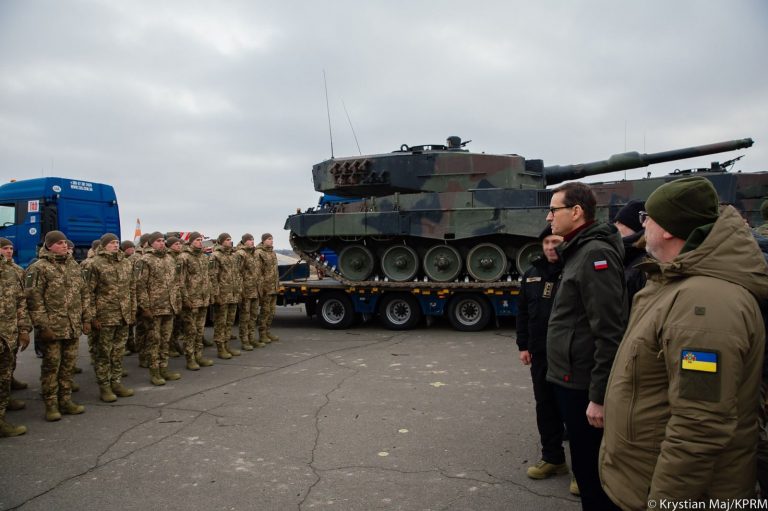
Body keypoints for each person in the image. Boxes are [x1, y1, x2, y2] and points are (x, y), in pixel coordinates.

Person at [600, 177, 768, 509]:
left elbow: (700, 426)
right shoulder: (677, 283)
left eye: (649, 217)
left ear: (668, 229)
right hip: (648, 475)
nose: (642, 224)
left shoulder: (703, 305)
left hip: (677, 493)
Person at [545, 182, 626, 510]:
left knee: (592, 473)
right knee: (583, 461)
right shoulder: (580, 249)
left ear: (576, 212)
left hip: (582, 384)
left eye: (554, 209)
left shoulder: (595, 253)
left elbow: (608, 330)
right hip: (571, 376)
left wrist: (598, 396)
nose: (549, 217)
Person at [516, 226, 577, 494]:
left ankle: (583, 471)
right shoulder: (531, 274)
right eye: (547, 242)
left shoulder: (575, 270)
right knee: (545, 407)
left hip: (569, 354)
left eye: (556, 241)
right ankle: (553, 459)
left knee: (573, 413)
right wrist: (523, 345)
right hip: (540, 353)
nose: (551, 246)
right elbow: (522, 312)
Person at [25, 231, 92, 421]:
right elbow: (33, 300)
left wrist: (86, 319)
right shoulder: (39, 268)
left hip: (72, 325)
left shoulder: (74, 266)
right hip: (52, 328)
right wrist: (42, 326)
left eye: (65, 243)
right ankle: (51, 405)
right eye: (59, 243)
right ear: (49, 245)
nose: (64, 246)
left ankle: (66, 400)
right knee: (51, 367)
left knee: (68, 366)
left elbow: (84, 294)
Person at [87, 233, 136, 402]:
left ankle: (116, 382)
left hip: (123, 315)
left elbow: (131, 288)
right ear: (103, 245)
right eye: (112, 243)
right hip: (105, 315)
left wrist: (132, 310)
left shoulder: (125, 263)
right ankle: (104, 387)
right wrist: (92, 317)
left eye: (117, 243)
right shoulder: (94, 264)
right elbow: (88, 293)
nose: (115, 245)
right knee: (104, 353)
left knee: (118, 352)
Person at [136, 232, 182, 386]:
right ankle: (154, 372)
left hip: (169, 306)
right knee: (154, 341)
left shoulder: (169, 259)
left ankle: (164, 368)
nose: (161, 243)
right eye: (158, 241)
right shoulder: (145, 260)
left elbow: (175, 283)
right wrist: (145, 306)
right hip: (154, 308)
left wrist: (177, 301)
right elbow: (140, 285)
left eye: (163, 241)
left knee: (165, 340)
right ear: (151, 243)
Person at [0, 237, 31, 437]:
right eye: (5, 248)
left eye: (11, 248)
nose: (9, 251)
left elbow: (21, 301)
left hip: (8, 332)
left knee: (5, 373)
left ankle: (3, 410)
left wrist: (23, 329)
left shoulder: (15, 271)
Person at [178, 232, 214, 370]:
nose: (200, 242)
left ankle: (199, 355)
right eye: (197, 240)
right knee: (190, 331)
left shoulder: (204, 257)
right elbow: (180, 281)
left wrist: (209, 295)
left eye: (201, 240)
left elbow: (207, 277)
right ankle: (190, 358)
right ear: (191, 241)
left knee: (200, 330)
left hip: (203, 299)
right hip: (191, 300)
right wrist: (185, 298)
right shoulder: (184, 257)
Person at [209, 233, 241, 359]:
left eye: (230, 239)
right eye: (227, 240)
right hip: (222, 294)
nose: (230, 242)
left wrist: (238, 290)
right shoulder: (215, 256)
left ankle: (227, 346)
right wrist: (216, 294)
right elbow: (212, 276)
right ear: (221, 241)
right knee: (220, 323)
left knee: (229, 322)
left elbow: (237, 275)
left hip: (232, 294)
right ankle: (220, 348)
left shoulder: (233, 255)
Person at [613, 199, 647, 312]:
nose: (615, 226)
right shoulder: (622, 257)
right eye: (615, 222)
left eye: (621, 223)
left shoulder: (642, 266)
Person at [235, 233, 264, 351]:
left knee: (253, 316)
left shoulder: (254, 253)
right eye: (249, 240)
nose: (252, 242)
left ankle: (251, 338)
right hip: (246, 290)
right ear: (244, 241)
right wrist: (240, 290)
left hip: (255, 290)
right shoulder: (240, 254)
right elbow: (237, 273)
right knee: (245, 316)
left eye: (253, 239)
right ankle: (244, 340)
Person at [256, 233, 280, 344]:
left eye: (272, 239)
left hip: (273, 287)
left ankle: (267, 331)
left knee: (271, 311)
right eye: (269, 239)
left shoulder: (272, 253)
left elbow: (275, 271)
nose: (271, 241)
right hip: (266, 287)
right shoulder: (259, 253)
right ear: (263, 240)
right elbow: (258, 273)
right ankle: (262, 334)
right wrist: (261, 288)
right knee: (264, 312)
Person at [166, 237, 185, 358]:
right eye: (176, 244)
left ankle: (174, 342)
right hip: (169, 296)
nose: (179, 246)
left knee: (178, 322)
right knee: (170, 325)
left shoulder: (180, 258)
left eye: (180, 244)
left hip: (180, 294)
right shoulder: (168, 258)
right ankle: (170, 346)